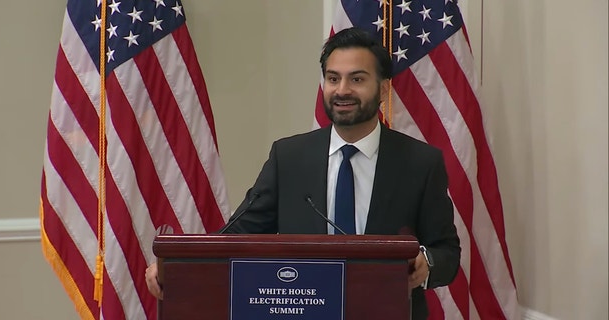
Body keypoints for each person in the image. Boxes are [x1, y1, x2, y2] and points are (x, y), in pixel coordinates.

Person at [146, 27, 460, 319]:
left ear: (383, 88)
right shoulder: (289, 158)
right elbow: (236, 238)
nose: (342, 90)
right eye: (333, 78)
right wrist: (175, 268)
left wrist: (425, 264)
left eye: (357, 79)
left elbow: (447, 253)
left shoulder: (420, 162)